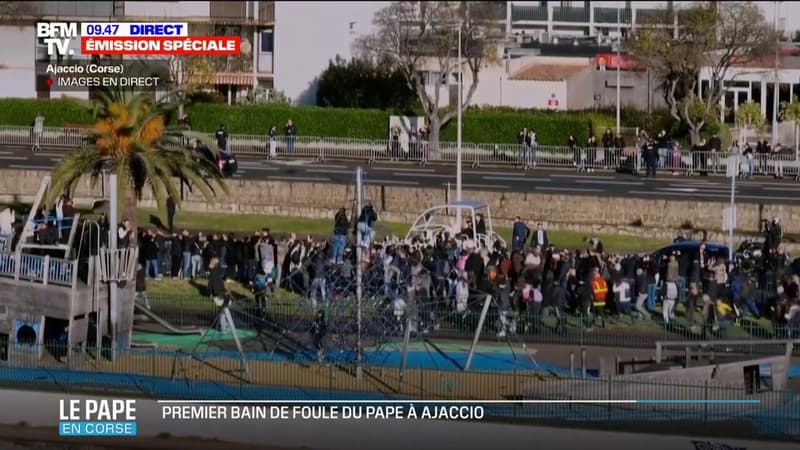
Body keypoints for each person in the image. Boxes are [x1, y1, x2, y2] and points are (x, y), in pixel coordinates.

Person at [208, 257, 231, 332]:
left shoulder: (215, 273)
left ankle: (224, 325)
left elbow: (213, 285)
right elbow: (214, 286)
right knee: (223, 311)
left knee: (223, 311)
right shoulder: (215, 273)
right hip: (219, 295)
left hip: (219, 294)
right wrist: (221, 293)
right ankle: (224, 327)